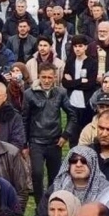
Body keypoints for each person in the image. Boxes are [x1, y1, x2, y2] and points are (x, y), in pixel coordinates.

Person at [22, 63, 77, 205]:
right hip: (36, 141)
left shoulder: (61, 93)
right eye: (43, 77)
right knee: (37, 174)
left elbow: (72, 115)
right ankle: (40, 205)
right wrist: (24, 144)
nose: (46, 80)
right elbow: (24, 119)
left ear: (55, 78)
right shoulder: (29, 94)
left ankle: (53, 203)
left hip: (55, 142)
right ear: (38, 76)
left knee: (55, 176)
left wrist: (66, 135)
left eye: (49, 77)